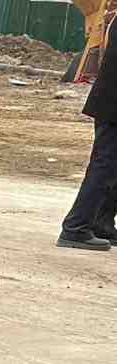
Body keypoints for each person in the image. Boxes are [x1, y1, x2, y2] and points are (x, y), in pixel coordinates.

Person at [60, 45, 117, 250]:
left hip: (110, 101)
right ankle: (76, 227)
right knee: (105, 165)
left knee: (110, 166)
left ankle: (101, 223)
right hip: (113, 104)